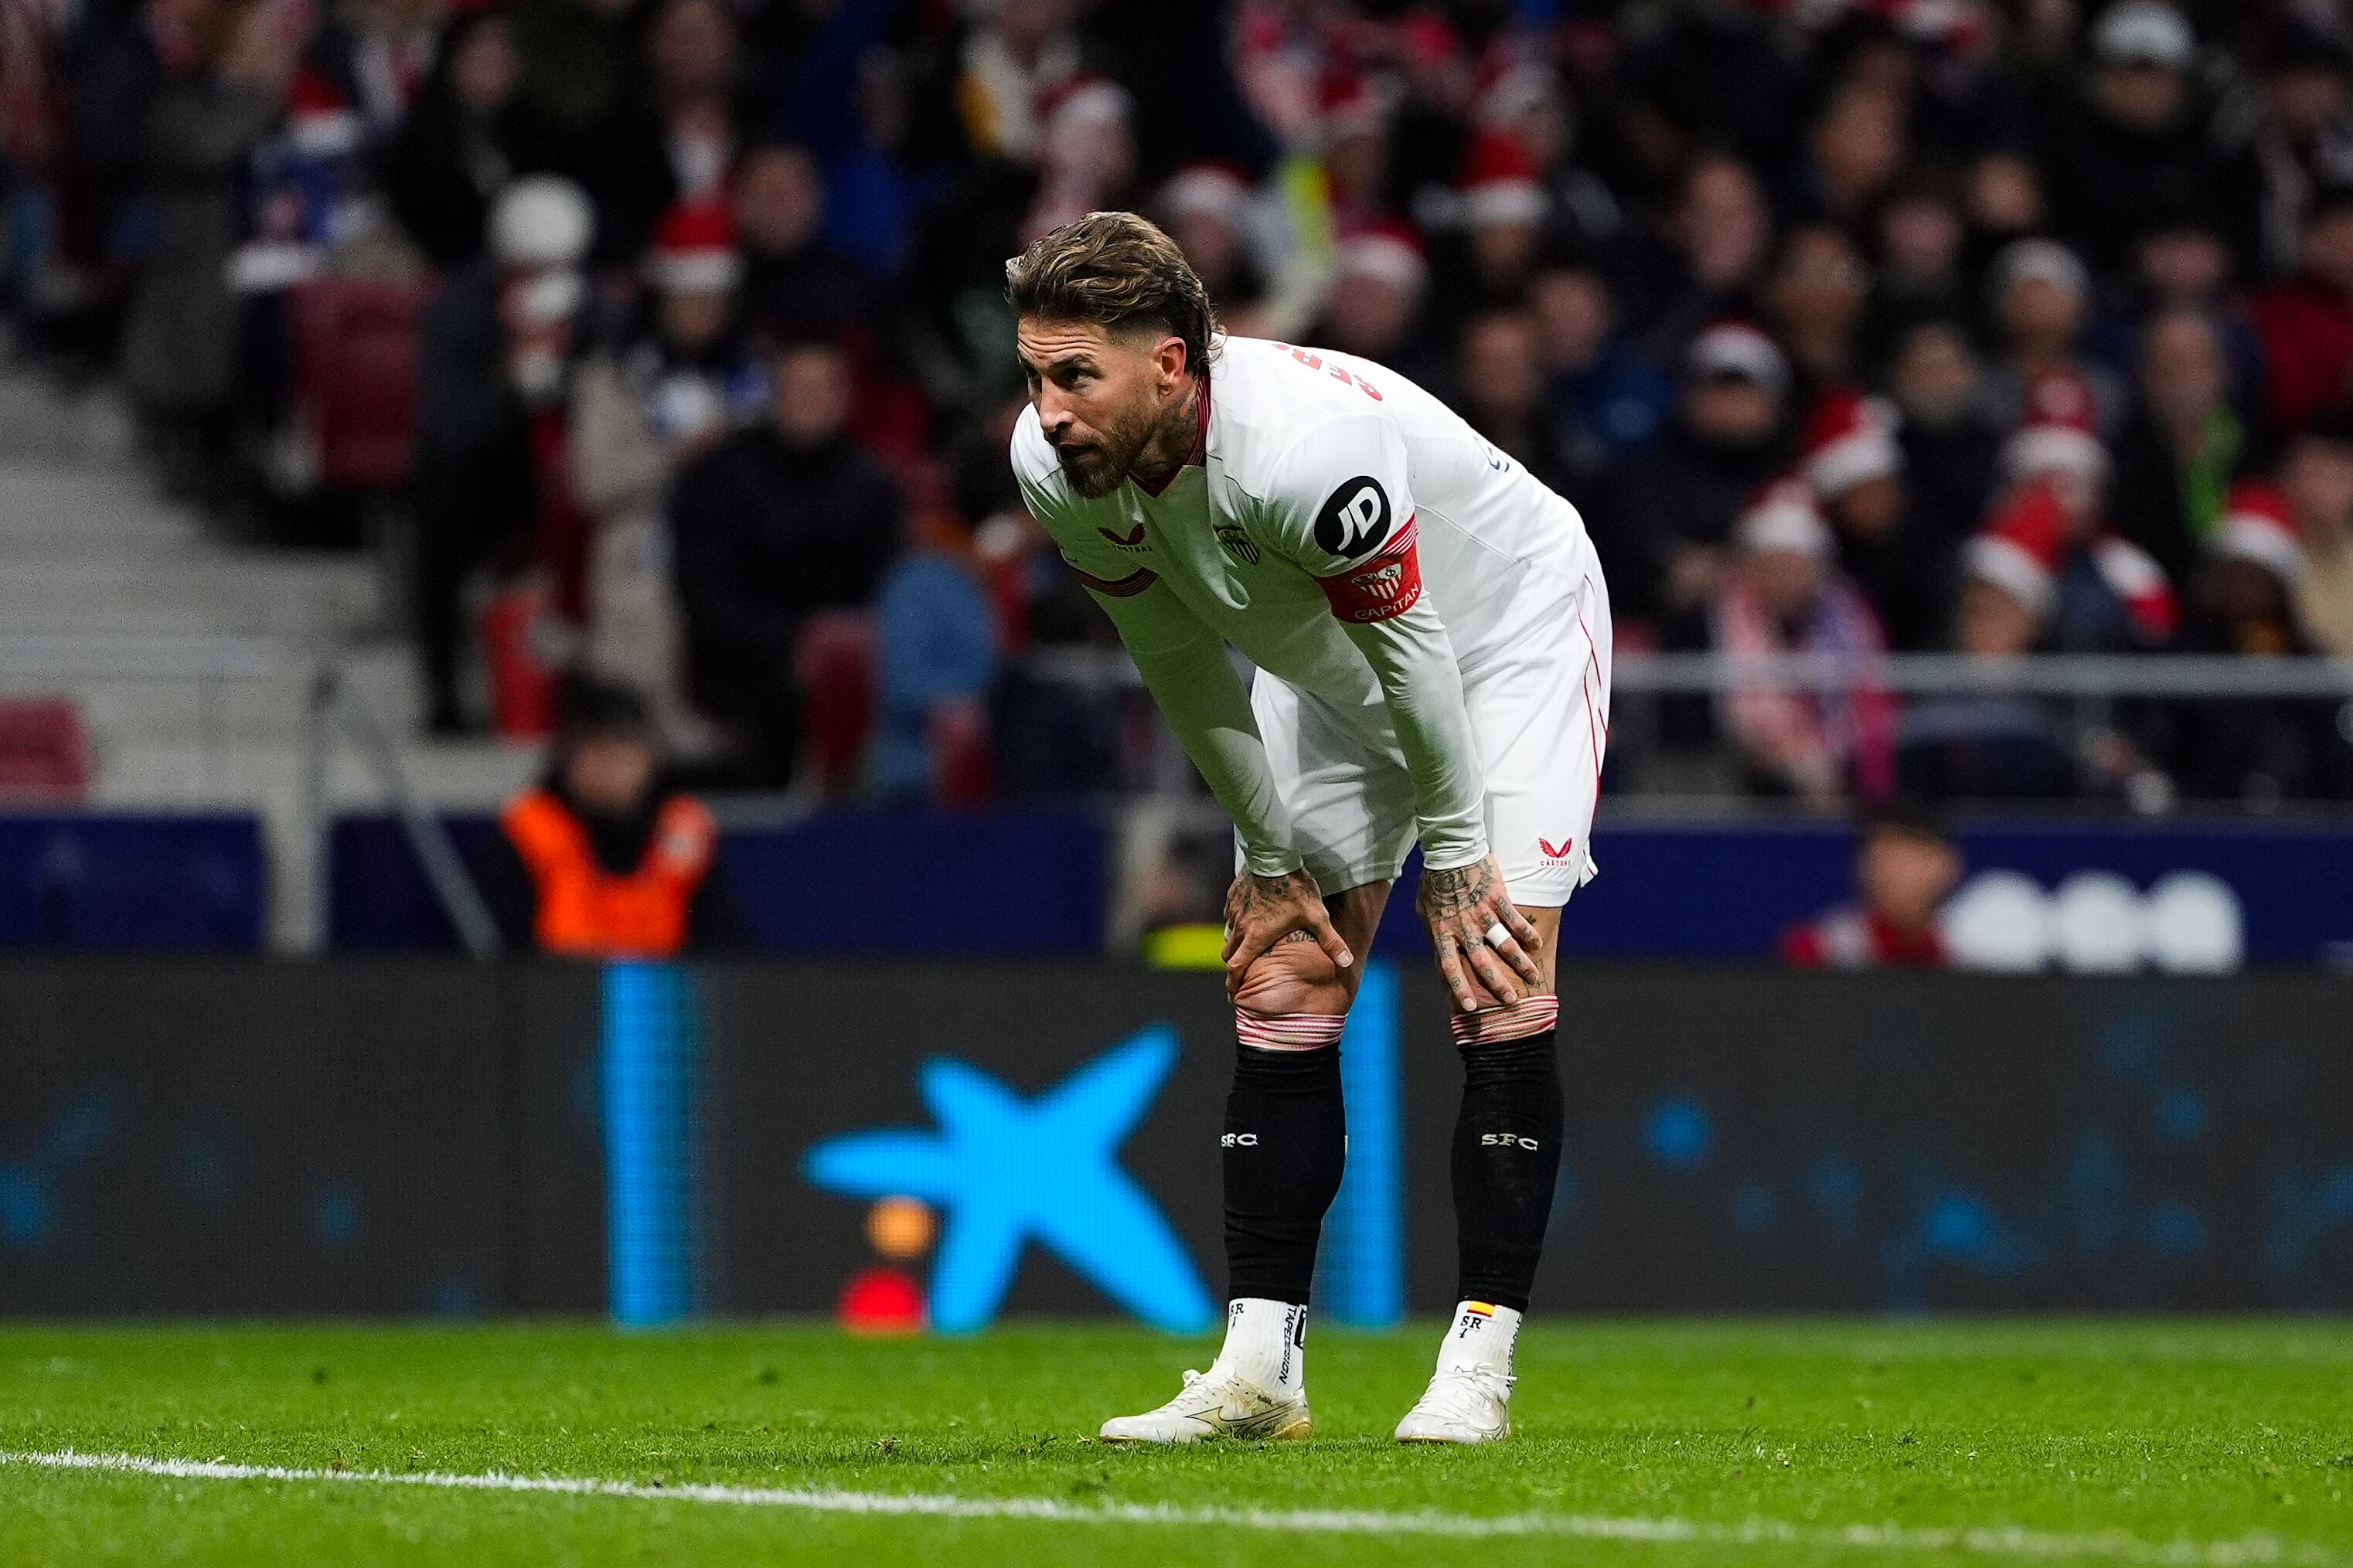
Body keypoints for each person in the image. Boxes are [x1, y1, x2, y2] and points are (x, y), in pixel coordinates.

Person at [1004, 212, 1611, 1447]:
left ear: (1171, 364)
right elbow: (1177, 658)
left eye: (1077, 375)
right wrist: (1267, 857)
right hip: (1333, 669)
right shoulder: (1053, 465)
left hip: (1504, 643)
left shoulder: (1306, 450)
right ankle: (1257, 1373)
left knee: (1497, 971)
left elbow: (1423, 652)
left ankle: (1476, 1370)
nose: (1051, 408)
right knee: (1282, 971)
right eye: (1037, 374)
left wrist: (1454, 849)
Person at [668, 336, 901, 783]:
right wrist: (791, 642)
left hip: (847, 667)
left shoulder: (872, 487)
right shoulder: (719, 479)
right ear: (774, 394)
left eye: (821, 389)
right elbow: (704, 594)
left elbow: (884, 593)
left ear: (844, 397)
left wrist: (830, 646)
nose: (808, 402)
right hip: (742, 667)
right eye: (797, 389)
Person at [471, 675, 749, 956]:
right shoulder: (528, 836)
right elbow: (502, 961)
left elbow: (726, 953)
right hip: (556, 994)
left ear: (650, 759)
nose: (611, 769)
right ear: (567, 759)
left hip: (664, 995)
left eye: (624, 752)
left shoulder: (683, 839)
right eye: (597, 751)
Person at [1778, 799, 1961, 968]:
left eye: (1909, 859)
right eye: (1884, 858)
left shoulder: (1965, 947)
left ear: (1946, 864)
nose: (1894, 874)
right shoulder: (1819, 949)